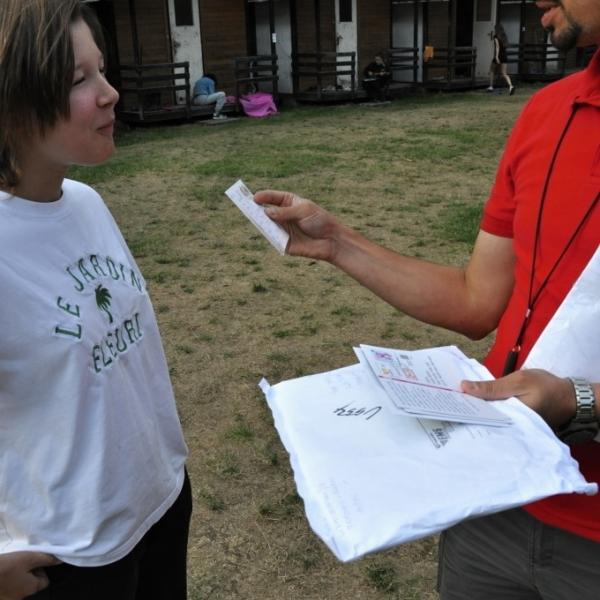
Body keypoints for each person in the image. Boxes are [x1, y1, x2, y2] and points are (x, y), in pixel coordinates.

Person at [255, 1, 600, 597]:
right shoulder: (547, 112)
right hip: (493, 498)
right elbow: (476, 300)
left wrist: (581, 400)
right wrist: (337, 243)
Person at [0, 2, 190, 599]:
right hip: (71, 554)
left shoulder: (85, 203)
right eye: (78, 80)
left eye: (101, 70)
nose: (109, 93)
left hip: (161, 502)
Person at [488, 23, 515, 95]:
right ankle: (511, 86)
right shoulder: (504, 36)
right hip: (504, 56)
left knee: (491, 70)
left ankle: (491, 86)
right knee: (504, 73)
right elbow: (505, 46)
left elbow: (497, 47)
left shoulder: (496, 36)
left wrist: (496, 57)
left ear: (496, 29)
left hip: (498, 56)